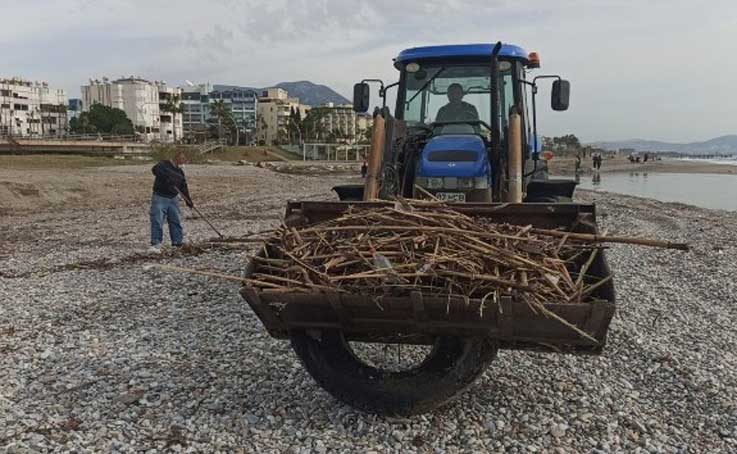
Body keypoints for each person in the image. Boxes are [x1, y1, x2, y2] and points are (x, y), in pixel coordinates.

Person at [149, 151, 194, 253]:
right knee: (157, 220)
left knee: (175, 220)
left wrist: (188, 200)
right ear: (178, 158)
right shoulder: (164, 164)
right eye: (183, 160)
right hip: (160, 197)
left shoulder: (180, 172)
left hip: (173, 199)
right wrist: (166, 177)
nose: (184, 163)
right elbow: (154, 170)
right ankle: (156, 243)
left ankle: (177, 242)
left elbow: (183, 187)